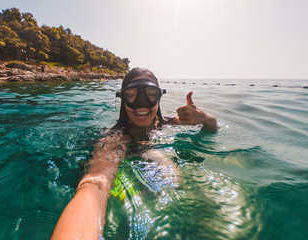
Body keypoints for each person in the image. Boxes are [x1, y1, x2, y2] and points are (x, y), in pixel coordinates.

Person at [51, 68, 218, 240]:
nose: (141, 103)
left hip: (153, 176)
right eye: (132, 94)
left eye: (151, 94)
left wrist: (204, 118)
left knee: (169, 171)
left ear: (159, 97)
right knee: (161, 163)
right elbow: (96, 184)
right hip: (127, 159)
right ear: (123, 99)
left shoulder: (170, 122)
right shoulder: (113, 139)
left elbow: (213, 127)